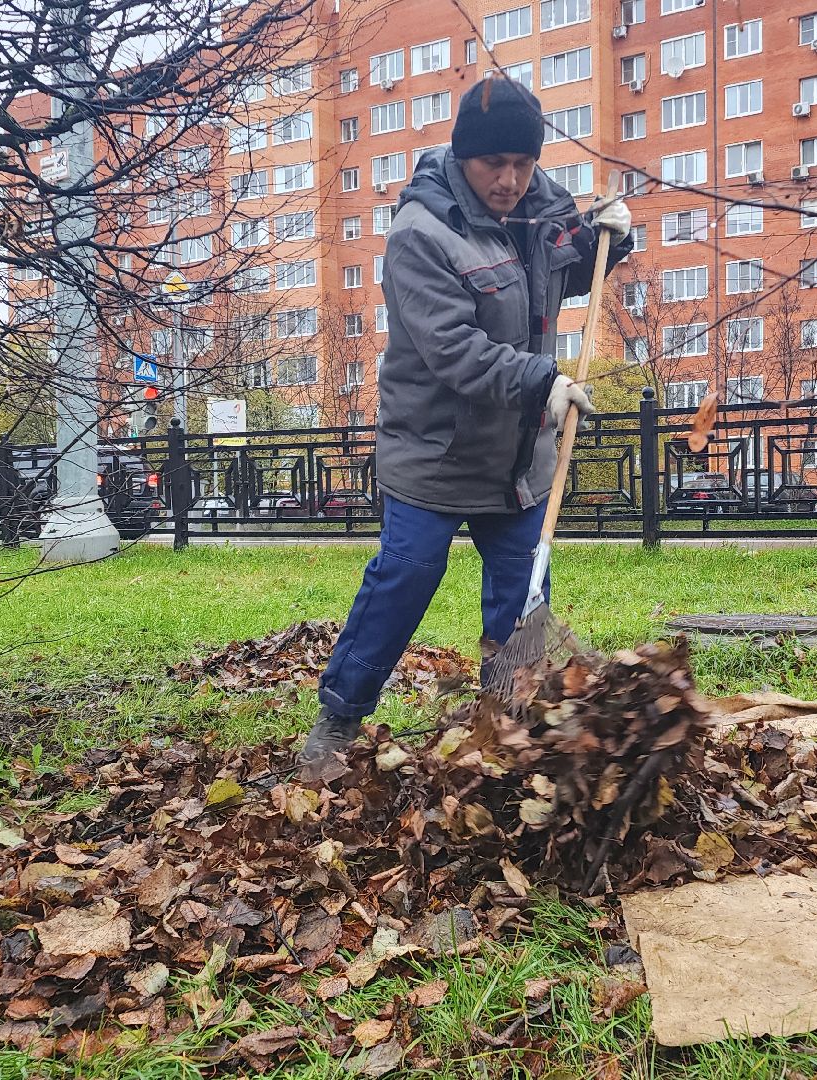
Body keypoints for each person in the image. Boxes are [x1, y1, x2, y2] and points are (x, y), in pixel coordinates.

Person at [297, 75, 633, 766]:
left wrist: (609, 241)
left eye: (523, 162)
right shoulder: (421, 232)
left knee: (522, 602)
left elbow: (565, 270)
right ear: (462, 156)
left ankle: (509, 730)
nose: (509, 180)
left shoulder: (543, 210)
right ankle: (338, 721)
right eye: (492, 164)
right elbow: (454, 351)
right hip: (434, 454)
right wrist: (546, 382)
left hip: (517, 462)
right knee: (404, 581)